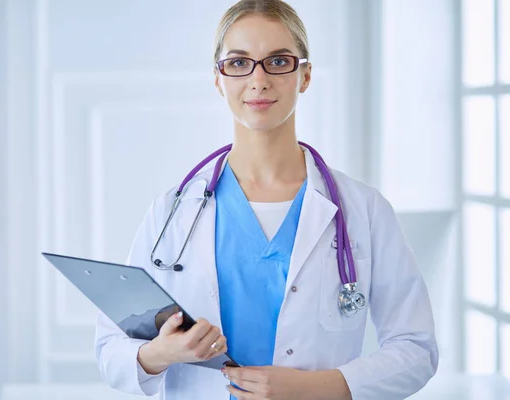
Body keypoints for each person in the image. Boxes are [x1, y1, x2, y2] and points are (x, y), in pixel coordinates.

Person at [94, 0, 438, 399]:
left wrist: (317, 388)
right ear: (218, 78)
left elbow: (416, 348)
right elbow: (110, 348)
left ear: (305, 75)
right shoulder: (174, 210)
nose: (258, 80)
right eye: (239, 63)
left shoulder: (363, 209)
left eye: (278, 61)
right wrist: (160, 353)